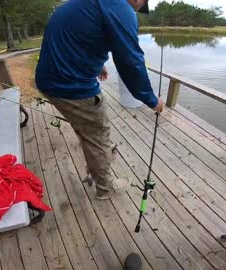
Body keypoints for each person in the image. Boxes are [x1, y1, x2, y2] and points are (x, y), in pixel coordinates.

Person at [35, 0, 164, 200]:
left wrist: (98, 65)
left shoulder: (93, 3)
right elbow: (131, 60)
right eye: (141, 6)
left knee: (87, 127)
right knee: (98, 132)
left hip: (50, 80)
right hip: (70, 86)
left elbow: (84, 38)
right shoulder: (122, 8)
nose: (137, 11)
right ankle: (105, 187)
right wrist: (152, 100)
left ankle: (94, 156)